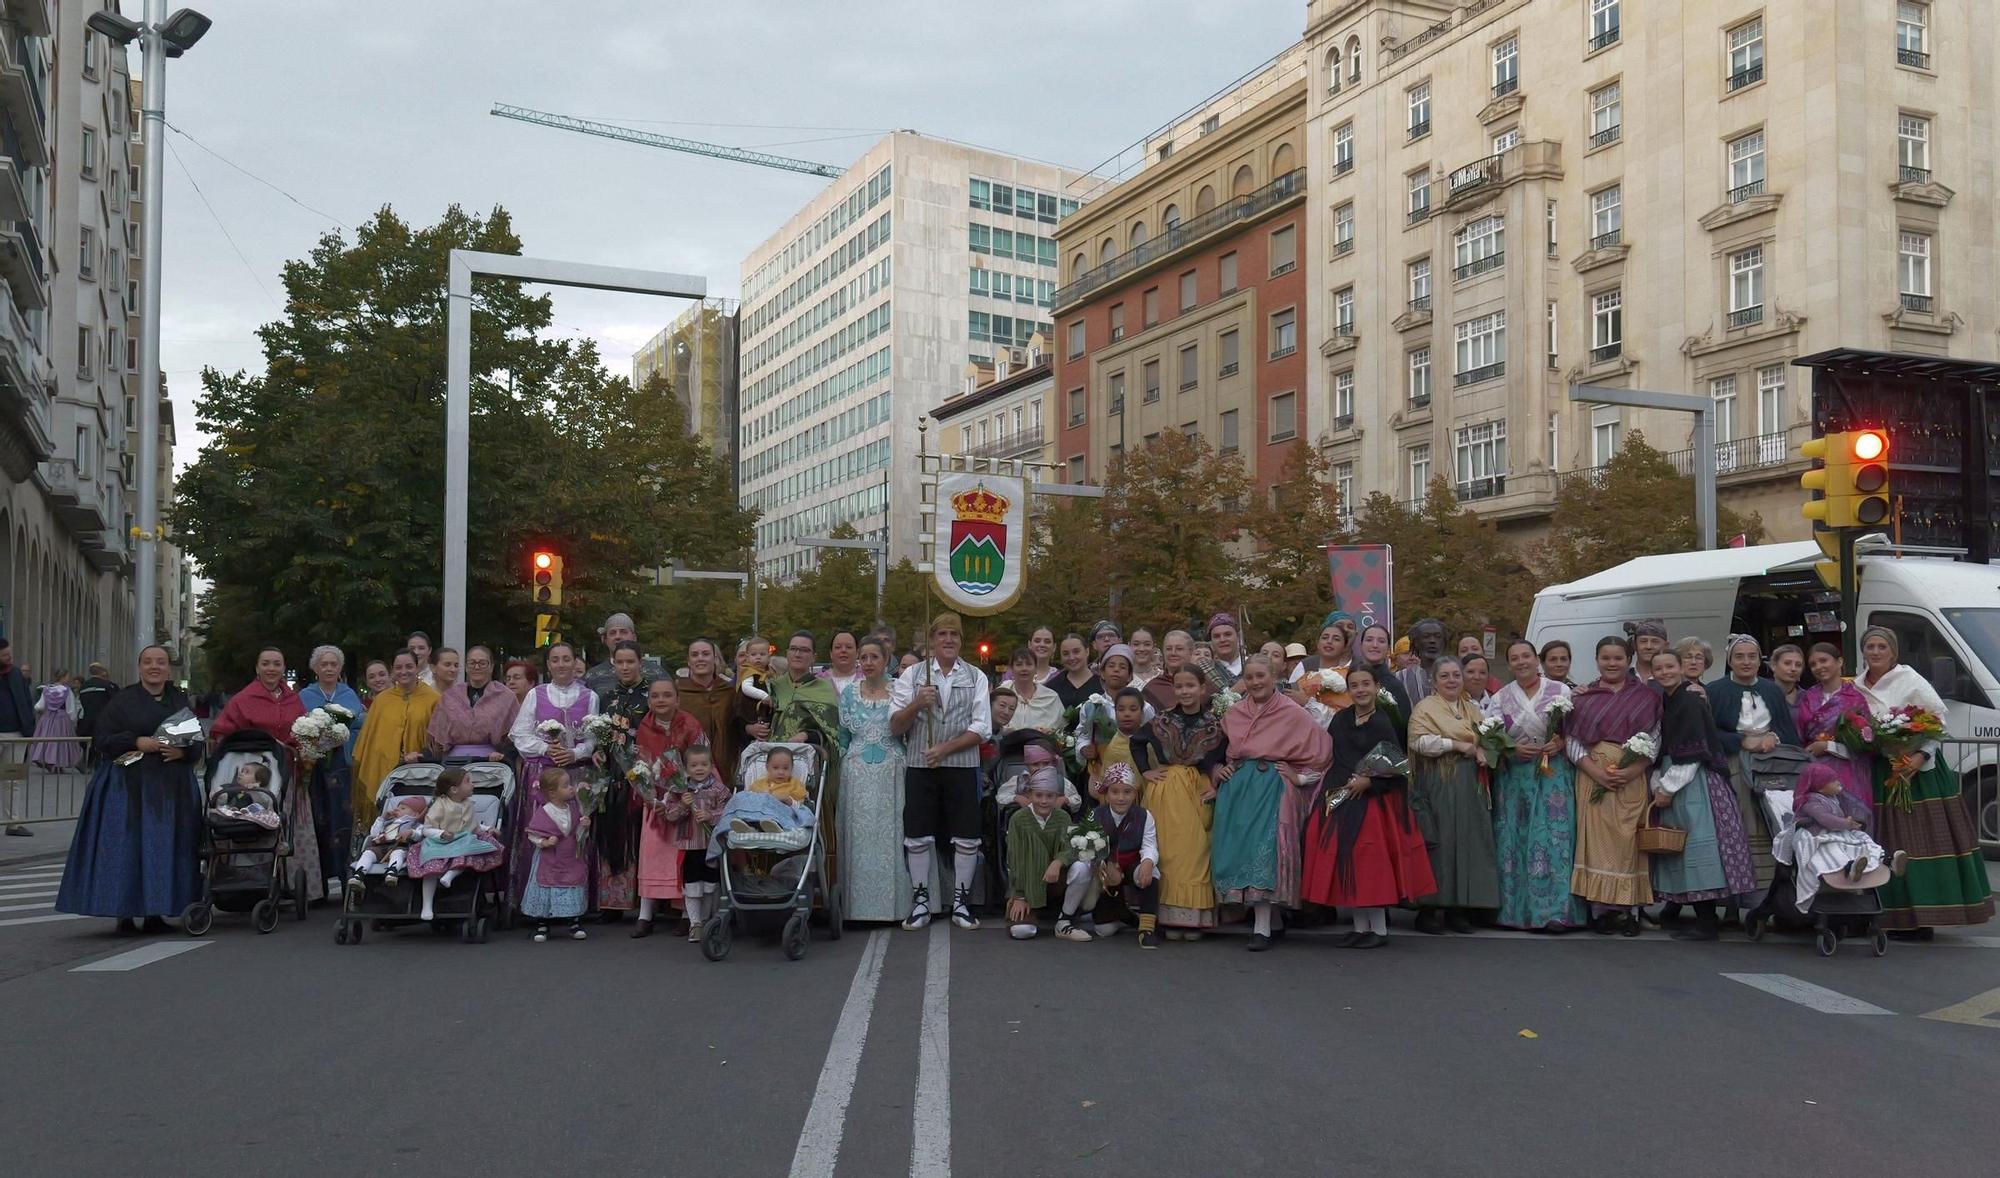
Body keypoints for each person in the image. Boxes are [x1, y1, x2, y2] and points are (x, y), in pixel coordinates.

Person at [1853, 626, 1993, 932]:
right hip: (1880, 770)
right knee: (1884, 841)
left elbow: (1937, 723)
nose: (1875, 652)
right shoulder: (1857, 685)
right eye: (1870, 646)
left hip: (1917, 771)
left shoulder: (1910, 679)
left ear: (1893, 652)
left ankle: (1924, 917)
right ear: (1863, 651)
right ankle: (1885, 914)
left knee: (1919, 842)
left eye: (1881, 647)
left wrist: (1919, 756)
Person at [55, 646, 203, 931]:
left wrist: (183, 753)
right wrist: (136, 742)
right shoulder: (122, 700)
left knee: (162, 850)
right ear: (139, 667)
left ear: (168, 669)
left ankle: (155, 913)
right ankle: (123, 914)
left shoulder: (178, 700)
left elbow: (196, 740)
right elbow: (102, 739)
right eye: (148, 662)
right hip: (126, 786)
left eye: (160, 662)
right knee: (126, 849)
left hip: (169, 790)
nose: (154, 667)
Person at [1302, 664, 1431, 948]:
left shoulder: (1383, 721)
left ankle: (1379, 930)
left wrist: (1369, 782)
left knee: (1369, 865)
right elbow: (1335, 755)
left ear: (1376, 688)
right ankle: (1360, 928)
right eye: (1355, 685)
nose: (1360, 690)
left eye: (1365, 684)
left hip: (1374, 803)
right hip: (1343, 795)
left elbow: (1396, 768)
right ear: (1349, 690)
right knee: (1347, 862)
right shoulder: (1341, 719)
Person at [1212, 655, 1332, 951]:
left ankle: (1262, 927)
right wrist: (1218, 769)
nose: (1255, 682)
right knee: (1243, 850)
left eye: (1260, 676)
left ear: (1274, 676)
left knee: (1264, 852)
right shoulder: (1236, 712)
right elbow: (1219, 749)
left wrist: (1299, 777)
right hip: (1240, 788)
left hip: (1272, 787)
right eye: (1249, 677)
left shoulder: (1292, 712)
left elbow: (1322, 751)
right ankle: (1273, 920)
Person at [890, 612, 992, 932]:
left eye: (954, 635)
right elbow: (895, 726)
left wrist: (946, 748)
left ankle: (961, 902)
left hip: (962, 766)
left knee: (967, 835)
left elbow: (982, 728)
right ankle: (920, 901)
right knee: (917, 834)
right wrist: (917, 703)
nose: (948, 639)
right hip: (921, 765)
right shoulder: (912, 675)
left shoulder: (976, 676)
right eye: (942, 634)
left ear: (961, 641)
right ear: (932, 640)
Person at [1647, 651, 1755, 942]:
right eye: (1659, 668)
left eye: (1670, 666)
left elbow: (1694, 751)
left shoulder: (1690, 700)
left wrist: (1667, 787)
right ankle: (1683, 912)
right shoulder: (1670, 699)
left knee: (1698, 849)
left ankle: (1707, 924)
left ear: (1681, 668)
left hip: (1693, 780)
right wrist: (1660, 782)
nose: (1665, 672)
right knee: (1682, 848)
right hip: (1678, 776)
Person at [1483, 638, 1585, 932]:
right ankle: (1514, 912)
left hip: (1552, 773)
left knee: (1554, 839)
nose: (1521, 662)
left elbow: (1576, 729)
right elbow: (1488, 736)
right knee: (1514, 840)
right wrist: (1510, 748)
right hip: (1515, 776)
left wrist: (1561, 741)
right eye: (1514, 658)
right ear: (1509, 664)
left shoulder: (1560, 691)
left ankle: (1555, 912)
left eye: (1526, 656)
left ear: (1536, 659)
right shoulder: (1501, 697)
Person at [1566, 637, 1660, 935]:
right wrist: (1596, 773)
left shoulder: (1646, 697)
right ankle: (1602, 912)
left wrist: (1632, 770)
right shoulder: (1583, 697)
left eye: (1618, 658)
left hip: (1631, 779)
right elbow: (1572, 740)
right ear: (1596, 660)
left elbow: (1655, 738)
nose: (1612, 663)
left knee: (1629, 843)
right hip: (1593, 776)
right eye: (1605, 658)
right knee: (1598, 846)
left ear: (1628, 660)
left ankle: (1631, 911)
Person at [209, 646, 318, 892]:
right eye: (266, 663)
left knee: (290, 827)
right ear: (257, 668)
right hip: (254, 777)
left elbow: (303, 733)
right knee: (253, 825)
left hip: (286, 773)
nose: (271, 668)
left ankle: (291, 883)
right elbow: (222, 734)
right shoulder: (243, 699)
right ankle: (248, 881)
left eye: (277, 664)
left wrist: (304, 750)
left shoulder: (293, 699)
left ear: (283, 668)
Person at [1405, 657, 1499, 934]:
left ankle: (1459, 909)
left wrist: (1485, 752)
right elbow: (1418, 741)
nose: (1451, 680)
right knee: (1441, 842)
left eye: (1456, 675)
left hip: (1469, 784)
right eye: (1444, 676)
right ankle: (1429, 910)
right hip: (1439, 782)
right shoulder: (1426, 708)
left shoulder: (1472, 709)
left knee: (1468, 842)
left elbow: (1488, 740)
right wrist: (1457, 745)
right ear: (1434, 682)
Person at [1130, 666, 1224, 938]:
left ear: (1202, 688)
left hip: (1197, 788)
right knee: (1168, 851)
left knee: (1196, 850)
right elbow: (1136, 742)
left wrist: (1217, 783)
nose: (1185, 691)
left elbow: (1225, 757)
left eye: (1190, 685)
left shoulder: (1215, 724)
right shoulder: (1163, 720)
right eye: (1179, 686)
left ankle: (1194, 917)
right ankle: (1167, 918)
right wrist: (1146, 771)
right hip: (1167, 789)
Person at [506, 643, 598, 905]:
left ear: (575, 663)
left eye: (566, 659)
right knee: (543, 833)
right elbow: (520, 735)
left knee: (574, 834)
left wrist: (575, 753)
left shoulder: (589, 696)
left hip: (575, 775)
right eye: (555, 660)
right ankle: (537, 899)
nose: (561, 665)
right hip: (542, 776)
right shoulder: (536, 694)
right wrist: (547, 748)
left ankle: (573, 900)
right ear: (548, 665)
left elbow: (593, 739)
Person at [1709, 633, 1800, 896]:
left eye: (1751, 656)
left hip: (1771, 763)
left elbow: (1787, 730)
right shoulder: (1715, 690)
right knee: (1741, 821)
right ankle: (1741, 890)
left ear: (1760, 661)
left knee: (1773, 820)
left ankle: (1774, 888)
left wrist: (1773, 737)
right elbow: (1708, 732)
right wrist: (1740, 740)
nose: (1746, 662)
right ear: (1730, 660)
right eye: (1739, 657)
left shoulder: (1772, 690)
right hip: (1733, 763)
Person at [628, 677, 712, 938]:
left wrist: (690, 791)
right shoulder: (644, 727)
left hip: (684, 801)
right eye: (655, 696)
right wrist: (648, 793)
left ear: (677, 699)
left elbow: (702, 760)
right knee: (651, 856)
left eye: (667, 695)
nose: (661, 700)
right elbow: (640, 764)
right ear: (649, 700)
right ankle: (645, 914)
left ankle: (687, 914)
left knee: (682, 858)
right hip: (655, 803)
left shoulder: (690, 724)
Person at [839, 636, 910, 925]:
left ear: (886, 660)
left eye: (874, 657)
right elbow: (843, 736)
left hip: (891, 771)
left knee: (892, 835)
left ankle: (895, 907)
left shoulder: (899, 690)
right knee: (859, 837)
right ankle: (856, 908)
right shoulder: (848, 693)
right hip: (856, 774)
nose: (868, 663)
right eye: (864, 657)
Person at [1772, 762, 1905, 911]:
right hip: (1816, 833)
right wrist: (1846, 823)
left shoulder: (1832, 798)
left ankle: (1886, 859)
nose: (1839, 783)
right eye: (1833, 781)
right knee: (1833, 849)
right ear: (1820, 787)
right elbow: (1825, 819)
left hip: (1835, 831)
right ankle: (1849, 867)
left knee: (1862, 838)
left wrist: (1852, 824)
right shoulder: (1810, 801)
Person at [592, 641, 655, 920]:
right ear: (613, 663)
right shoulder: (606, 697)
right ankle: (614, 902)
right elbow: (600, 734)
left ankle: (648, 902)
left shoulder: (651, 694)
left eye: (631, 661)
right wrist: (597, 750)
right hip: (613, 775)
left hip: (643, 773)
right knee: (614, 834)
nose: (626, 667)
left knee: (642, 837)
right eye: (620, 662)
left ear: (640, 662)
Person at [300, 644, 367, 899]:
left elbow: (359, 724)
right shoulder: (306, 695)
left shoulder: (349, 694)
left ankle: (346, 875)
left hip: (342, 766)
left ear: (340, 668)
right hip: (316, 768)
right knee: (319, 819)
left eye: (333, 664)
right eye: (324, 664)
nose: (329, 669)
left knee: (344, 820)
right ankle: (319, 883)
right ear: (315, 668)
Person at [351, 650, 441, 833]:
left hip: (419, 772)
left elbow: (439, 738)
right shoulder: (382, 700)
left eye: (409, 666)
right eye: (398, 667)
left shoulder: (433, 698)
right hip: (383, 770)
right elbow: (369, 740)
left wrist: (423, 754)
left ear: (417, 668)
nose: (404, 671)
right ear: (393, 670)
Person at [1003, 759, 1091, 942]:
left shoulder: (1062, 817)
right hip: (1028, 885)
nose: (1044, 801)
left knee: (1082, 867)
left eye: (1049, 796)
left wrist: (1058, 862)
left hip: (1054, 879)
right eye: (1038, 795)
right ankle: (1027, 907)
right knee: (1023, 931)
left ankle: (1064, 920)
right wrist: (1019, 895)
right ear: (1030, 794)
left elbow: (1070, 847)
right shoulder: (1018, 819)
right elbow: (1014, 859)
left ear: (1056, 796)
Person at [403, 767, 505, 920]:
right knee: (431, 867)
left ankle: (449, 876)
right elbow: (427, 829)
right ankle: (427, 905)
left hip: (462, 840)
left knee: (468, 852)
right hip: (439, 842)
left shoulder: (468, 804)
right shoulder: (440, 805)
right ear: (454, 789)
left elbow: (473, 825)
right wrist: (441, 833)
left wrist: (487, 828)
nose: (472, 785)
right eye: (468, 782)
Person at [652, 744, 728, 942]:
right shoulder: (679, 789)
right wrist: (683, 805)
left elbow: (728, 812)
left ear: (711, 766)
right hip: (689, 846)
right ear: (686, 768)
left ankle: (708, 921)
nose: (699, 768)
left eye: (704, 764)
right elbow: (670, 816)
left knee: (710, 885)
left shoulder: (719, 789)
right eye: (694, 765)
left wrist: (711, 815)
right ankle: (695, 924)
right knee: (692, 886)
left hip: (711, 846)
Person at [1794, 643, 1875, 822]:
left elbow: (1865, 743)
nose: (1818, 667)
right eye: (1813, 664)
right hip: (1816, 773)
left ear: (1840, 662)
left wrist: (1828, 746)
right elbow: (1801, 736)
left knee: (1854, 825)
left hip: (1851, 773)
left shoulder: (1855, 697)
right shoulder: (1808, 697)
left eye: (1823, 660)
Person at [1091, 763, 1162, 949]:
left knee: (1152, 871)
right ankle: (1123, 913)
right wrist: (1106, 866)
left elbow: (1149, 845)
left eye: (1127, 792)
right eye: (1115, 792)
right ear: (1107, 794)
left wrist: (1148, 861)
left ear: (1134, 793)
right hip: (1106, 870)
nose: (1121, 798)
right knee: (1104, 930)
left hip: (1131, 864)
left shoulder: (1144, 815)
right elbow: (1089, 850)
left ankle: (1147, 929)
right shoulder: (1096, 815)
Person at [521, 766, 590, 942]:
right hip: (549, 858)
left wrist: (583, 826)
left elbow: (577, 833)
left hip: (569, 855)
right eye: (566, 786)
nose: (571, 788)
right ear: (552, 793)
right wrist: (544, 842)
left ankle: (573, 921)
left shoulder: (573, 809)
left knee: (572, 884)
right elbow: (533, 834)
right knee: (546, 887)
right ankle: (542, 923)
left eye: (570, 784)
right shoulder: (545, 811)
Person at [426, 645, 513, 761]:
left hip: (491, 761)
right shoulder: (450, 696)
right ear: (466, 667)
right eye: (472, 663)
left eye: (482, 663)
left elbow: (514, 735)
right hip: (454, 762)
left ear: (491, 667)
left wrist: (502, 755)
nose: (477, 667)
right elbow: (437, 737)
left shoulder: (505, 696)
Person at [676, 638, 741, 777]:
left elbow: (739, 724)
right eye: (695, 655)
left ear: (715, 659)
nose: (700, 658)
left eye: (705, 654)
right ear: (688, 661)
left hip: (725, 766)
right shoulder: (678, 693)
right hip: (689, 769)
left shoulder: (728, 692)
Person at [769, 631, 841, 746]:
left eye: (804, 650)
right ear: (787, 653)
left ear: (814, 657)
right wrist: (751, 728)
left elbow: (832, 733)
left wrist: (807, 735)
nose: (797, 654)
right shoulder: (774, 686)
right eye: (793, 649)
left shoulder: (824, 689)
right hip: (769, 752)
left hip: (808, 753)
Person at [349, 795, 427, 886]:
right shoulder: (388, 822)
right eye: (397, 807)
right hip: (380, 846)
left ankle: (392, 872)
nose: (397, 809)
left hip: (400, 846)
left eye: (402, 808)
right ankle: (359, 874)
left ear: (416, 814)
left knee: (398, 853)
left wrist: (411, 832)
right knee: (368, 853)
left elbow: (420, 835)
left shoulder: (416, 825)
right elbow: (374, 833)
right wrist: (382, 819)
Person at [584, 613, 665, 698]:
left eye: (623, 632)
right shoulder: (592, 676)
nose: (617, 637)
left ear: (634, 637)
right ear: (605, 639)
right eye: (612, 633)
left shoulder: (656, 673)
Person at [1355, 623, 1412, 720]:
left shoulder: (1395, 686)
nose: (1375, 645)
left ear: (1388, 648)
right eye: (1369, 640)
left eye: (1381, 641)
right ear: (1361, 645)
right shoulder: (1349, 678)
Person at [1002, 647, 1064, 734]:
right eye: (1019, 665)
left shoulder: (1051, 697)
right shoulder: (1001, 694)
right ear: (1012, 668)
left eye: (1029, 664)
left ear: (1035, 668)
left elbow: (1061, 731)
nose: (1024, 668)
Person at [1142, 630, 1204, 715]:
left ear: (1191, 652)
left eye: (1179, 649)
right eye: (1168, 649)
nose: (1173, 653)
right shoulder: (1152, 688)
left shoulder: (1204, 684)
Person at [29, 673, 82, 771]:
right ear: (62, 677)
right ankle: (58, 763)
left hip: (48, 718)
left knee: (46, 739)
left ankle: (45, 759)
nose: (68, 678)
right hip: (62, 718)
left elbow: (39, 706)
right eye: (67, 676)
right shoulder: (67, 691)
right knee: (61, 742)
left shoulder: (47, 689)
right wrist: (73, 720)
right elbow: (71, 708)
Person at [1395, 618, 1448, 707]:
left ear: (1444, 641)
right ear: (1416, 642)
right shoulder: (1400, 678)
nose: (1432, 641)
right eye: (1426, 636)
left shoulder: (1457, 676)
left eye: (1438, 636)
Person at [1047, 633, 1102, 711]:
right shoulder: (1052, 687)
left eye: (1076, 652)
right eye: (1065, 654)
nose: (1071, 657)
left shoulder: (1102, 685)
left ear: (1087, 651)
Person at [76, 661, 118, 742]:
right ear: (101, 671)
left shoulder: (83, 687)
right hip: (103, 722)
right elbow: (115, 703)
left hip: (87, 722)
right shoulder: (107, 685)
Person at [1202, 613, 1246, 685]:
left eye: (1228, 634)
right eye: (1216, 636)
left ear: (1238, 637)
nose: (1222, 640)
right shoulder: (1205, 671)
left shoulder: (1254, 664)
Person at [1625, 619, 1669, 686]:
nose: (1649, 647)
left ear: (1666, 646)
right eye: (1643, 641)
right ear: (1634, 645)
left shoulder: (1672, 677)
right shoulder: (1622, 676)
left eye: (1655, 641)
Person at [822, 630, 863, 696]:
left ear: (857, 653)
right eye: (838, 647)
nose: (843, 650)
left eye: (849, 647)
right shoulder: (819, 681)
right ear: (831, 653)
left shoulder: (867, 678)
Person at [1769, 643, 1807, 712]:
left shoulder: (1808, 697)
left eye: (1798, 665)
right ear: (1773, 665)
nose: (1793, 668)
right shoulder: (1761, 693)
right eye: (1787, 663)